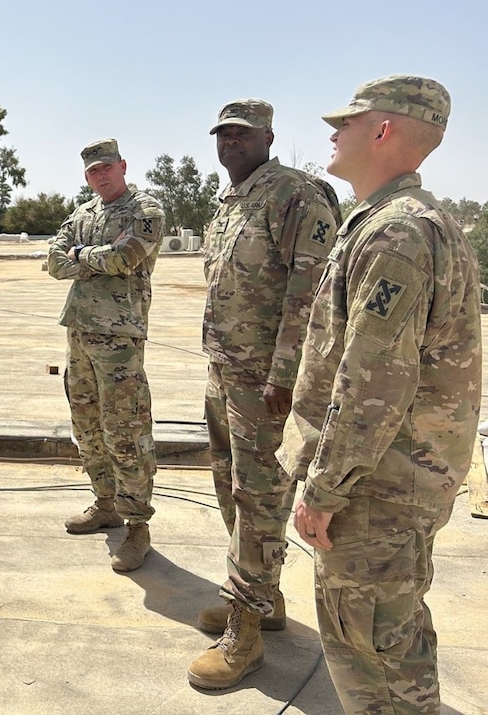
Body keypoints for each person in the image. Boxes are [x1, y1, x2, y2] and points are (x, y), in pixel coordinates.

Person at [277, 75, 481, 715]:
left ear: (384, 130)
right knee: (389, 642)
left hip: (377, 490)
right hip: (396, 480)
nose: (332, 133)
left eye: (348, 121)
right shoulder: (401, 222)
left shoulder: (397, 233)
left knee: (374, 657)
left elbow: (373, 384)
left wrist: (324, 487)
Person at [187, 100, 342, 689]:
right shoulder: (233, 201)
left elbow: (311, 291)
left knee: (258, 500)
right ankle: (260, 602)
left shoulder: (295, 194)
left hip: (266, 383)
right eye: (223, 135)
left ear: (268, 137)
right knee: (230, 487)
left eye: (242, 135)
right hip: (226, 371)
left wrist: (286, 375)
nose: (230, 143)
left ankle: (244, 638)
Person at [47, 138, 164, 572]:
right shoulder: (83, 213)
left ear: (123, 166)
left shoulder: (144, 210)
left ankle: (138, 526)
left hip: (120, 339)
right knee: (88, 424)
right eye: (93, 171)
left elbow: (127, 257)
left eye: (107, 168)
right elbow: (54, 262)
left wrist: (81, 255)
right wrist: (90, 255)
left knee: (126, 429)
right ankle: (105, 503)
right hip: (79, 333)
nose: (101, 176)